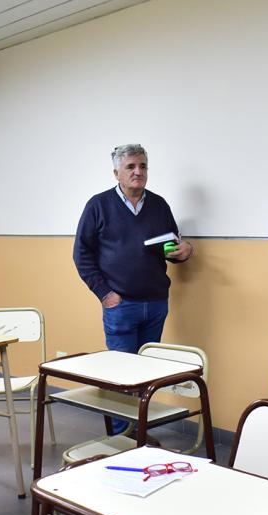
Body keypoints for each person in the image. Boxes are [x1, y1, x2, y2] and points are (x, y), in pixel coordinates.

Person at [73, 143, 193, 435]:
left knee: (147, 375)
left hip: (155, 304)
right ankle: (120, 439)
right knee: (120, 376)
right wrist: (105, 294)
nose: (138, 172)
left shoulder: (158, 205)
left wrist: (185, 251)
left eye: (142, 166)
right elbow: (82, 255)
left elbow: (168, 247)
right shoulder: (98, 205)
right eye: (130, 167)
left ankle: (139, 434)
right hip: (120, 305)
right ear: (117, 172)